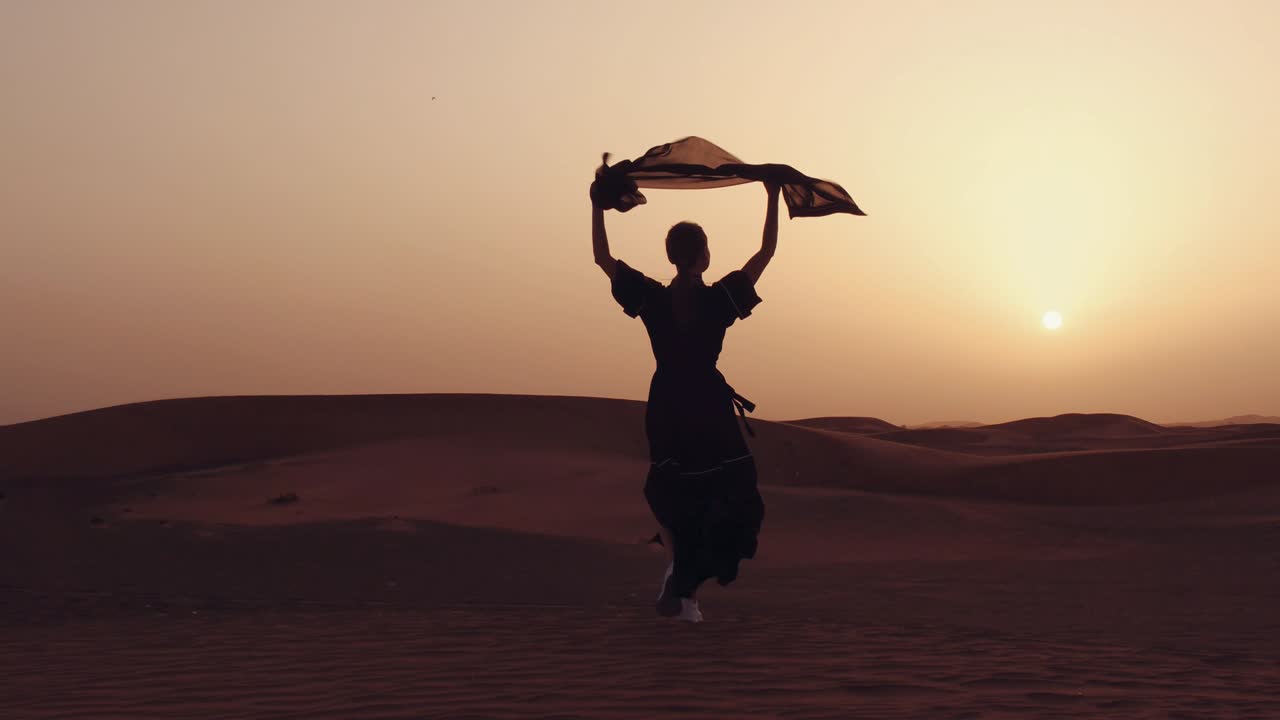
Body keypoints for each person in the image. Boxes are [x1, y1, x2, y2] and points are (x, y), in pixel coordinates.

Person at [590, 178, 776, 623]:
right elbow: (765, 254)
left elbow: (601, 258)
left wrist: (596, 206)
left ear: (673, 254)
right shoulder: (717, 301)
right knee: (726, 492)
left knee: (675, 491)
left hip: (667, 402)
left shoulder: (653, 298)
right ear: (702, 254)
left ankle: (680, 573)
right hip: (706, 406)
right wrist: (772, 195)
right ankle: (686, 587)